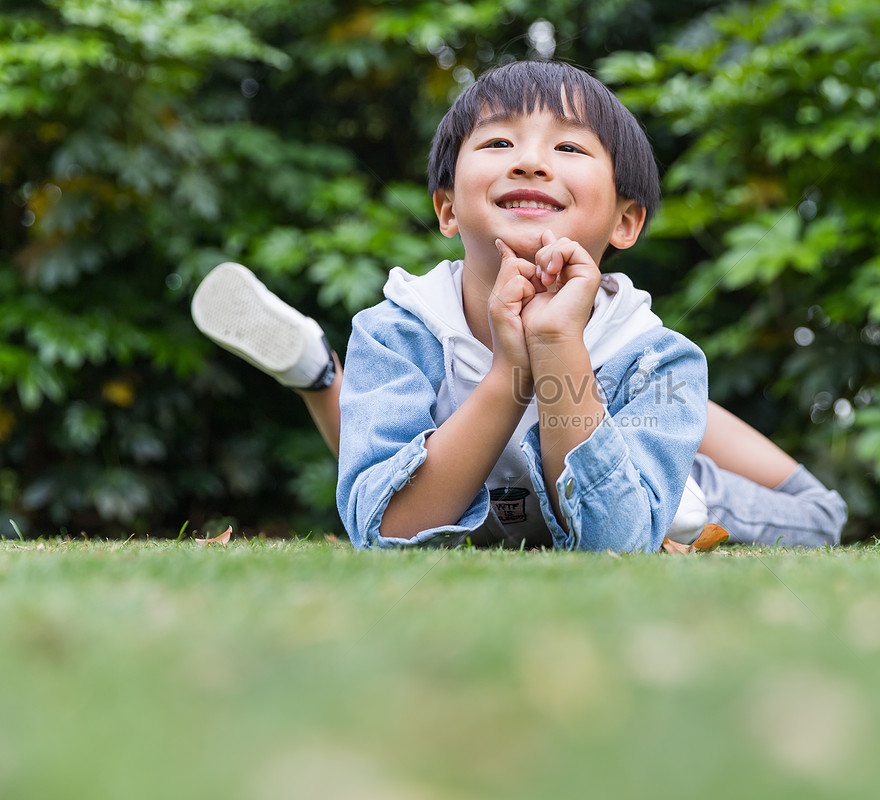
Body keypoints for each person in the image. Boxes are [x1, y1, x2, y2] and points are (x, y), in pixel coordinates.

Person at [192, 60, 846, 552]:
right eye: (499, 143)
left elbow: (615, 549)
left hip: (644, 398)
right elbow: (383, 533)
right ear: (447, 208)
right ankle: (324, 377)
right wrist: (511, 369)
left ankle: (672, 468)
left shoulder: (655, 357)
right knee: (394, 457)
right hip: (518, 400)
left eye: (568, 147)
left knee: (814, 513)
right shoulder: (399, 333)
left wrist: (561, 345)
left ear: (626, 220)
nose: (531, 162)